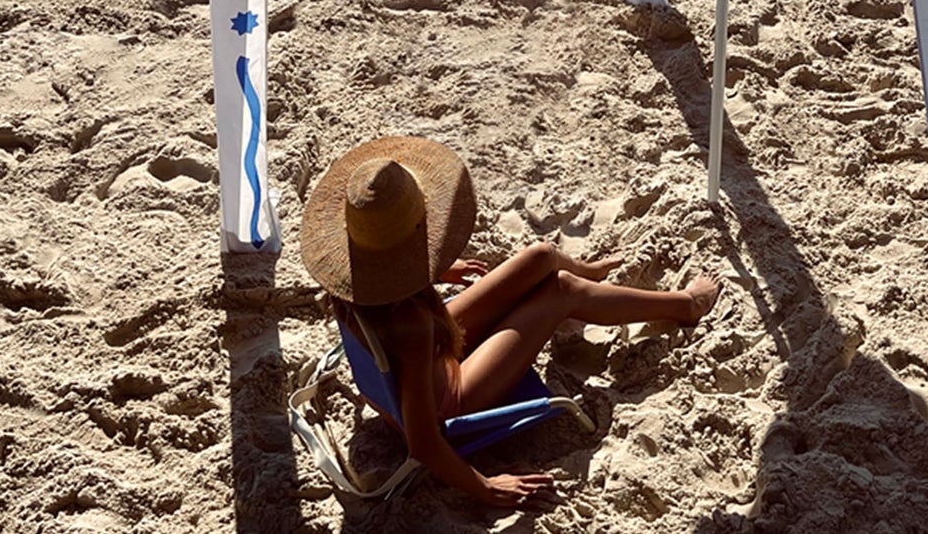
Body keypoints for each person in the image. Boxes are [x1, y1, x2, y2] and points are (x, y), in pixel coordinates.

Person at [301, 135, 721, 509]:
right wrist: (487, 487)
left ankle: (590, 274)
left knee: (541, 255)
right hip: (451, 393)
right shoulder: (411, 321)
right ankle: (684, 306)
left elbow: (384, 277)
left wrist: (428, 271)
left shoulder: (352, 283)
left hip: (425, 355)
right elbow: (423, 441)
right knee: (561, 291)